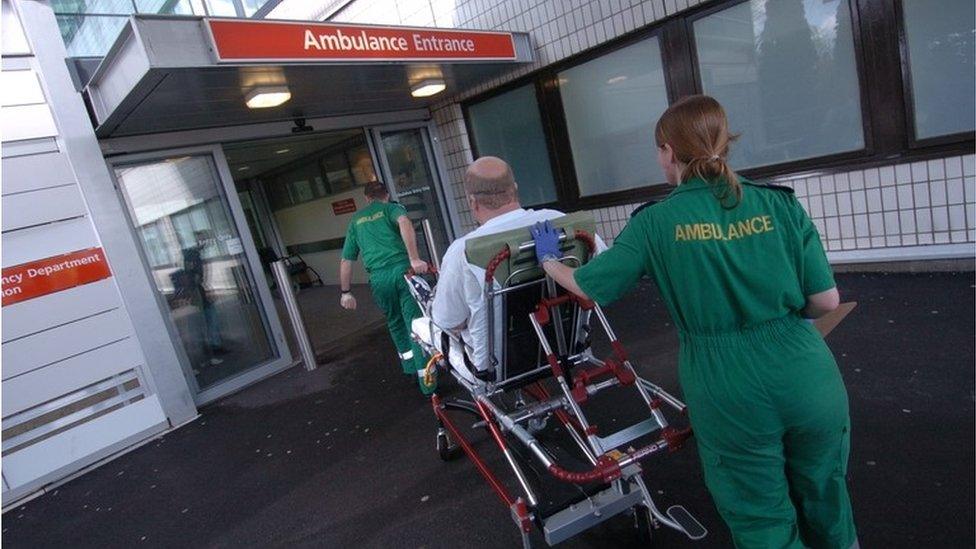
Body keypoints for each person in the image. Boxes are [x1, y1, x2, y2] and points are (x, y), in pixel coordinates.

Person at [533, 95, 857, 549]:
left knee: (760, 515)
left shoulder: (655, 222)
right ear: (724, 142)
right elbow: (825, 300)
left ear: (668, 151)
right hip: (807, 372)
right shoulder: (778, 204)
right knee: (826, 497)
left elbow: (588, 286)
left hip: (727, 385)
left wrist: (550, 260)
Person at [431, 156, 604, 376]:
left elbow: (449, 320)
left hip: (498, 367)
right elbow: (602, 268)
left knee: (431, 328)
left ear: (472, 202)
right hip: (568, 344)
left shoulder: (463, 251)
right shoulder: (562, 223)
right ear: (514, 189)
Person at [339, 180, 435, 395]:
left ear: (366, 198)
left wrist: (345, 292)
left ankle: (410, 369)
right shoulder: (393, 208)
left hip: (378, 279)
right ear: (387, 194)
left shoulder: (356, 220)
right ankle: (428, 384)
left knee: (395, 322)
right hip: (403, 272)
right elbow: (404, 222)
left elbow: (346, 260)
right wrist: (414, 258)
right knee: (415, 323)